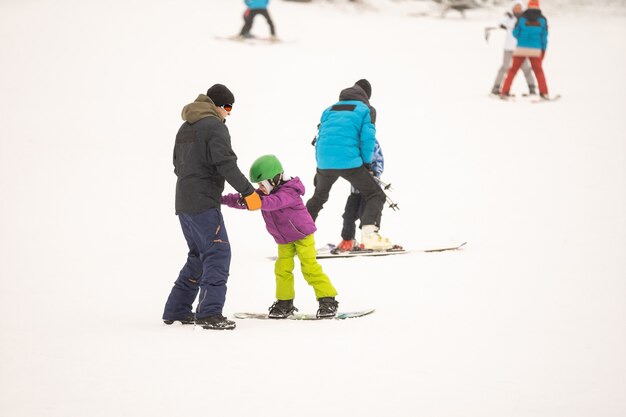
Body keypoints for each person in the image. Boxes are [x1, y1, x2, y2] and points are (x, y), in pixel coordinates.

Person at [162, 84, 262, 331]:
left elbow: (177, 165)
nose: (229, 113)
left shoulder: (186, 127)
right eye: (227, 107)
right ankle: (209, 313)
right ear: (217, 105)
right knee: (217, 253)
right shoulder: (214, 126)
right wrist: (248, 192)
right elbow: (225, 164)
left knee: (199, 255)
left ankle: (177, 310)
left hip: (183, 202)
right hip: (204, 203)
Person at [221, 155, 339, 319]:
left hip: (303, 236)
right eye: (259, 185)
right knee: (282, 269)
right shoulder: (265, 194)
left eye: (263, 183)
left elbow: (274, 202)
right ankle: (285, 302)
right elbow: (243, 199)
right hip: (284, 240)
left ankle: (328, 300)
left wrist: (258, 202)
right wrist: (221, 199)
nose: (260, 187)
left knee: (309, 268)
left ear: (275, 179)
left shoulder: (290, 191)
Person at [306, 79, 394, 251]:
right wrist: (366, 164)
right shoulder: (366, 110)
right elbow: (367, 139)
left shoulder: (329, 110)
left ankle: (299, 237)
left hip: (324, 162)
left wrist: (320, 167)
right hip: (350, 162)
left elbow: (321, 138)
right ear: (366, 95)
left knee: (318, 198)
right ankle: (369, 236)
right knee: (376, 195)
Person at [336, 139, 384, 252]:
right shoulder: (350, 140)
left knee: (368, 212)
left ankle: (369, 238)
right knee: (349, 214)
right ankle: (348, 240)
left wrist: (375, 171)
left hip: (370, 189)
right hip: (355, 189)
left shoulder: (370, 140)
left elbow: (378, 158)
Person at [500, 0, 550, 99]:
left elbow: (515, 33)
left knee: (513, 70)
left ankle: (504, 92)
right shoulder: (542, 20)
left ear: (528, 6)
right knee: (539, 71)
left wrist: (522, 39)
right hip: (536, 50)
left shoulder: (522, 18)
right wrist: (543, 50)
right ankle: (544, 93)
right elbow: (544, 37)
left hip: (521, 48)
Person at [487, 1, 536, 96]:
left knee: (526, 68)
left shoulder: (525, 18)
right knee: (505, 67)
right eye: (516, 7)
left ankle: (532, 87)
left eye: (519, 7)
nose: (517, 9)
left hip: (521, 47)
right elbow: (501, 23)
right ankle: (496, 87)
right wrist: (505, 22)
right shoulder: (509, 17)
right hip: (509, 47)